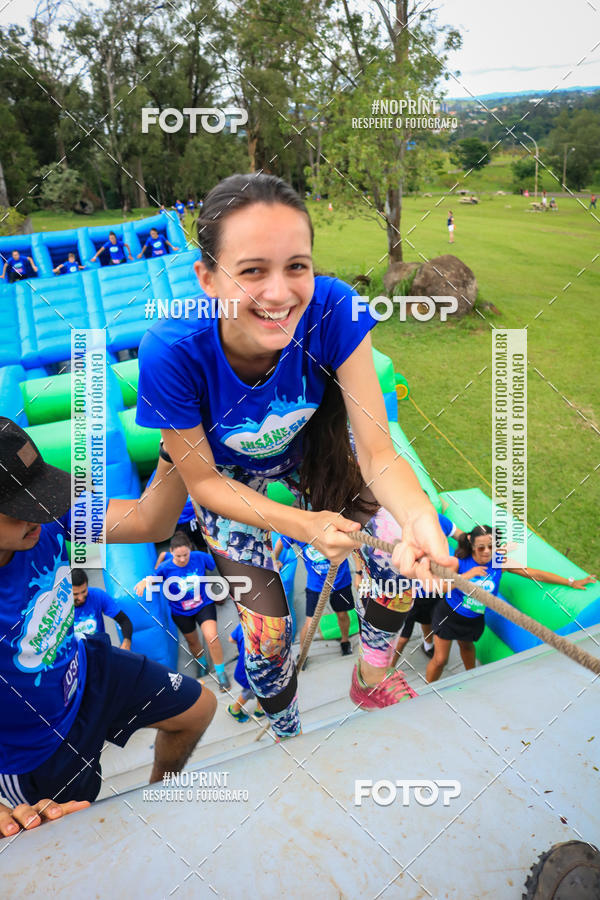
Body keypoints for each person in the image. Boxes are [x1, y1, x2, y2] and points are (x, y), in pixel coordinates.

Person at [135, 172, 453, 740]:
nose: (280, 293)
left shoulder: (335, 309)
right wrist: (304, 525)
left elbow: (377, 449)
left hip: (312, 446)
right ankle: (286, 729)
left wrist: (419, 516)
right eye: (253, 270)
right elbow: (202, 483)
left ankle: (370, 677)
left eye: (296, 266)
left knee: (393, 543)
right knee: (266, 635)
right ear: (207, 277)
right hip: (229, 476)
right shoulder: (171, 350)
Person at [0, 417, 217, 836]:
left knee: (199, 709)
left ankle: (158, 803)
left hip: (88, 669)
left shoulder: (46, 518)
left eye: (40, 497)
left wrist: (173, 447)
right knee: (78, 838)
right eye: (22, 508)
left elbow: (150, 521)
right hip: (39, 748)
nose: (39, 514)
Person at [426, 525, 597, 683]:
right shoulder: (459, 562)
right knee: (440, 660)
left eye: (491, 546)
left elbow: (534, 574)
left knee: (467, 647)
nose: (487, 552)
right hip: (450, 615)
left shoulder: (499, 562)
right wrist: (467, 576)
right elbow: (441, 587)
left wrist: (570, 582)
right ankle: (421, 695)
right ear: (471, 544)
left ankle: (471, 679)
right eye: (481, 548)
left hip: (474, 619)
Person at [135, 531, 231, 691]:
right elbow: (153, 577)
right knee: (193, 642)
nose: (182, 559)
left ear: (190, 549)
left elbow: (217, 564)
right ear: (171, 552)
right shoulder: (166, 567)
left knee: (211, 637)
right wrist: (145, 582)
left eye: (185, 555)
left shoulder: (199, 557)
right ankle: (202, 664)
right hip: (181, 613)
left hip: (204, 605)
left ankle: (221, 673)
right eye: (178, 556)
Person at [391, 512, 463, 663]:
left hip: (432, 591)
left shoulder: (438, 520)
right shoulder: (400, 525)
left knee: (427, 622)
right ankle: (388, 668)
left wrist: (479, 545)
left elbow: (462, 537)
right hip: (408, 593)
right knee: (403, 638)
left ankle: (427, 645)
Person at [274, 535, 354, 661]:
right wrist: (274, 560)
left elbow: (355, 544)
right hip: (316, 583)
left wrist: (359, 572)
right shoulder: (299, 530)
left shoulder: (333, 526)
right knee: (310, 622)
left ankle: (345, 641)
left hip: (340, 580)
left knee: (342, 614)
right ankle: (302, 652)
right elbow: (281, 540)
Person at [71, 568, 133, 650]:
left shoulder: (97, 595)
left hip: (99, 650)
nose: (81, 598)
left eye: (83, 591)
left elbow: (124, 621)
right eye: (75, 594)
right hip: (75, 653)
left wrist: (126, 643)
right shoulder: (60, 609)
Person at [227, 623, 265, 723]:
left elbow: (231, 639)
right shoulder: (265, 633)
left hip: (243, 669)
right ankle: (234, 710)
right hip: (251, 673)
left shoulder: (243, 624)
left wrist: (242, 645)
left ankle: (260, 709)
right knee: (249, 692)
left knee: (262, 688)